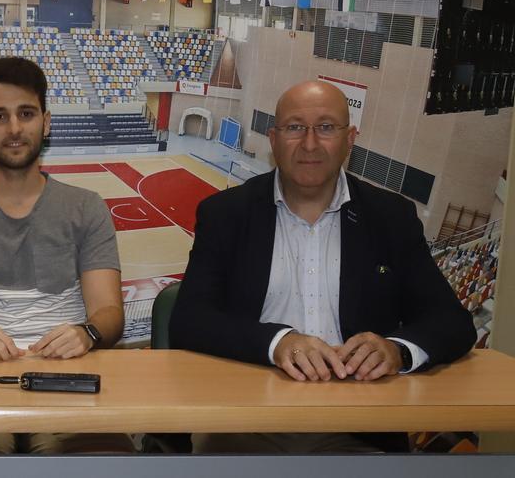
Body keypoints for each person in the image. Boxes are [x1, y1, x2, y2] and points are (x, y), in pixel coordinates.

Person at [170, 80, 475, 453]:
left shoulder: (391, 217)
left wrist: (397, 350)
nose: (310, 143)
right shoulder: (226, 214)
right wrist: (277, 342)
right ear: (274, 138)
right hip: (245, 419)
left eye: (327, 127)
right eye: (295, 127)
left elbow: (452, 322)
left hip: (359, 426)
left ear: (350, 139)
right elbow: (189, 321)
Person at [0, 56, 130, 454]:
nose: (14, 129)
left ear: (45, 122)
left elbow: (109, 313)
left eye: (26, 114)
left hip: (65, 377)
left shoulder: (86, 208)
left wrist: (87, 333)